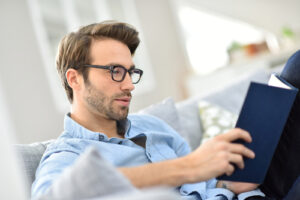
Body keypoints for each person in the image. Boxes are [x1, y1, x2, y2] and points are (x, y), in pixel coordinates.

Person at [32, 21, 265, 200]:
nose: (129, 85)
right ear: (75, 79)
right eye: (115, 71)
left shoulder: (153, 126)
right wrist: (188, 167)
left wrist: (228, 186)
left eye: (130, 72)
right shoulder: (67, 155)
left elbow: (204, 185)